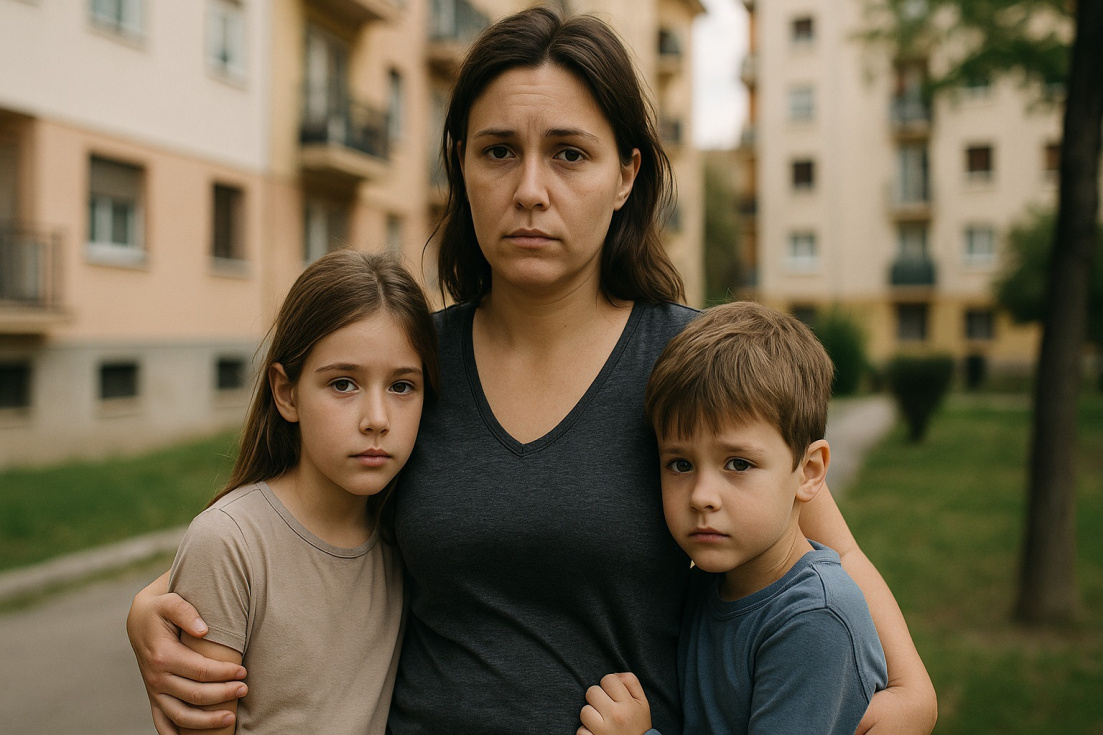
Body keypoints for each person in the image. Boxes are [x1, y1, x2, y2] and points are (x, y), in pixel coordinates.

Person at [125, 7, 937, 734]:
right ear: (460, 166)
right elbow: (291, 515)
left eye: (569, 154)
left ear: (625, 176)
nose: (530, 190)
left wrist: (911, 690)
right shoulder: (406, 368)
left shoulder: (693, 365)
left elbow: (824, 548)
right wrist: (151, 601)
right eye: (498, 152)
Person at [578, 302, 888, 735]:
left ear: (809, 471)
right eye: (680, 464)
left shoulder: (815, 618)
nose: (702, 497)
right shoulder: (708, 587)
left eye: (738, 464)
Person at [164, 249, 438, 734]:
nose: (377, 419)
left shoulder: (408, 537)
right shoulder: (229, 543)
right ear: (286, 393)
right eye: (344, 384)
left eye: (401, 387)